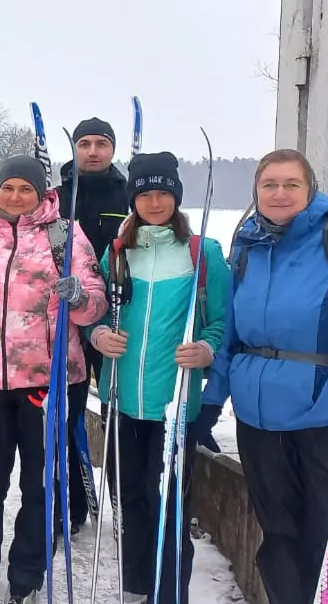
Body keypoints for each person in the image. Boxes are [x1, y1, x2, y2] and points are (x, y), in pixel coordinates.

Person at [198, 148, 328, 604]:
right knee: (279, 540)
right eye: (269, 184)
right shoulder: (247, 244)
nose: (279, 193)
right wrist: (212, 401)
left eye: (290, 184)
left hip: (326, 417)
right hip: (258, 420)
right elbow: (232, 336)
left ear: (309, 189)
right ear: (256, 191)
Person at [0, 154, 107, 604]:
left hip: (48, 383)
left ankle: (26, 576)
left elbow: (95, 306)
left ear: (41, 191)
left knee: (40, 483)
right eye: (8, 188)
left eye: (25, 189)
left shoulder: (64, 235)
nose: (15, 197)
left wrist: (80, 295)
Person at [86, 152, 230, 604]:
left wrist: (205, 349)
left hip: (175, 404)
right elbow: (96, 311)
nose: (154, 202)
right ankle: (134, 590)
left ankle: (168, 595)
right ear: (133, 198)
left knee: (169, 508)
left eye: (163, 192)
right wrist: (97, 335)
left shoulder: (201, 252)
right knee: (130, 506)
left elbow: (221, 322)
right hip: (121, 399)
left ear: (176, 196)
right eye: (145, 193)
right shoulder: (117, 251)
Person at [56, 117, 130, 531]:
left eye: (102, 143)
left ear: (113, 150)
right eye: (85, 143)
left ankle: (122, 501)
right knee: (68, 415)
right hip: (70, 320)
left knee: (119, 414)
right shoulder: (59, 196)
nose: (93, 151)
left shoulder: (129, 195)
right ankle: (74, 500)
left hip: (118, 318)